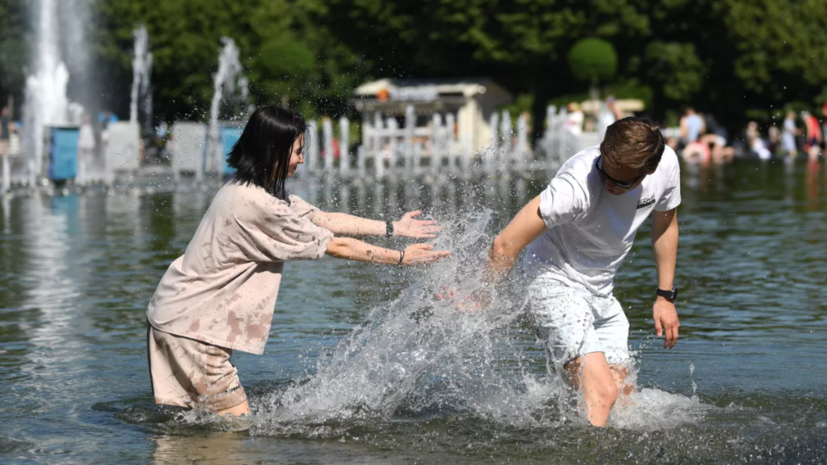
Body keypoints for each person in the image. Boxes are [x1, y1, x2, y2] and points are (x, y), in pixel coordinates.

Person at [146, 105, 450, 417]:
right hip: (193, 331)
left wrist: (391, 228)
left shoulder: (252, 185)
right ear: (272, 150)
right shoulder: (258, 204)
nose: (302, 160)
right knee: (235, 430)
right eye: (298, 151)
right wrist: (401, 257)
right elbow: (336, 245)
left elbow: (324, 219)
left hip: (176, 316)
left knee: (187, 426)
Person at [482, 117, 680, 427]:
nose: (609, 184)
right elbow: (504, 244)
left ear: (648, 170)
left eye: (622, 182)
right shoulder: (574, 187)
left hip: (601, 290)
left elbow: (665, 223)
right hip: (551, 278)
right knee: (602, 394)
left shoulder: (666, 164)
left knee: (622, 399)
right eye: (605, 172)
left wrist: (665, 296)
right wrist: (482, 295)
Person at [77, 114, 96, 185]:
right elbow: (82, 138)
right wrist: (81, 147)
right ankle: (83, 174)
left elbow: (90, 138)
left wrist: (90, 145)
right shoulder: (84, 128)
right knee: (83, 161)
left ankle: (88, 173)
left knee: (88, 160)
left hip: (87, 147)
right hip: (85, 147)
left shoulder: (88, 128)